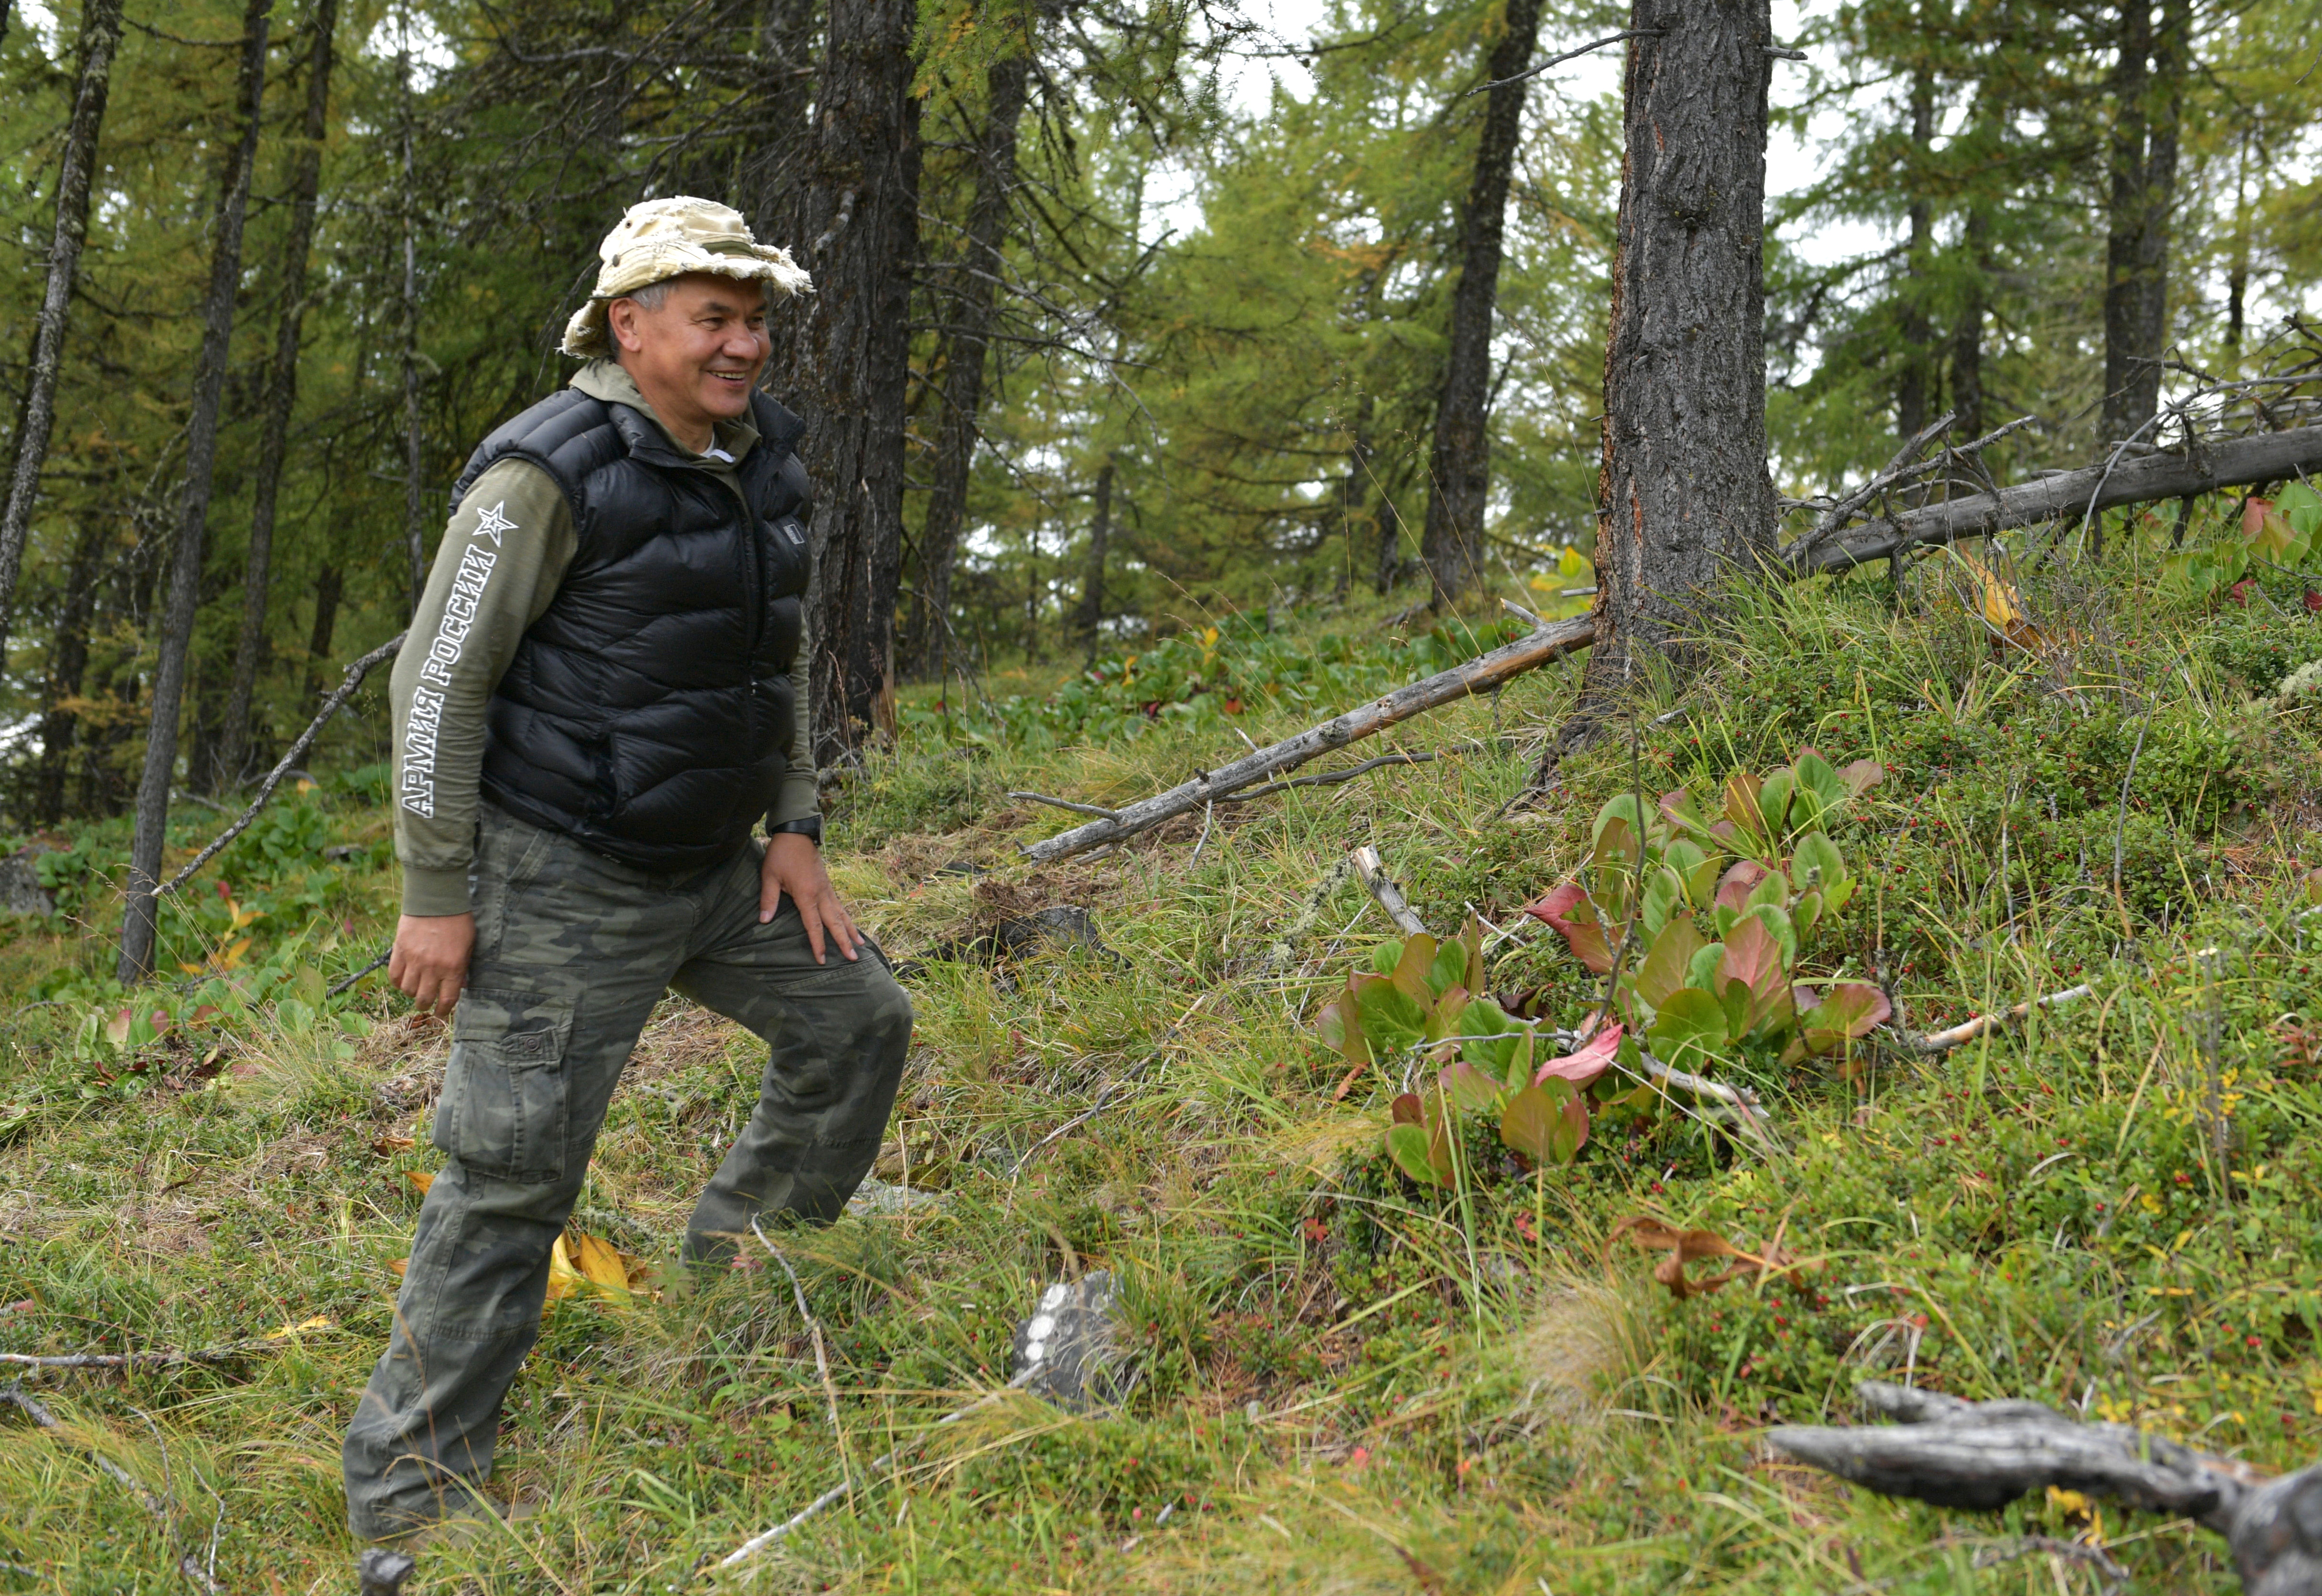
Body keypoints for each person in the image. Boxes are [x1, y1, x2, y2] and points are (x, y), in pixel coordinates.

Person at [343, 196, 913, 1545]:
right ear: (630, 325)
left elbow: (763, 660)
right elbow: (436, 687)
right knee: (509, 1183)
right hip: (559, 880)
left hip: (718, 867)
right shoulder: (541, 474)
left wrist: (796, 825)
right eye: (715, 318)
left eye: (756, 319)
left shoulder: (766, 458)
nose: (745, 346)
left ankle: (742, 1274)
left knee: (860, 1021)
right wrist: (437, 893)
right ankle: (410, 1502)